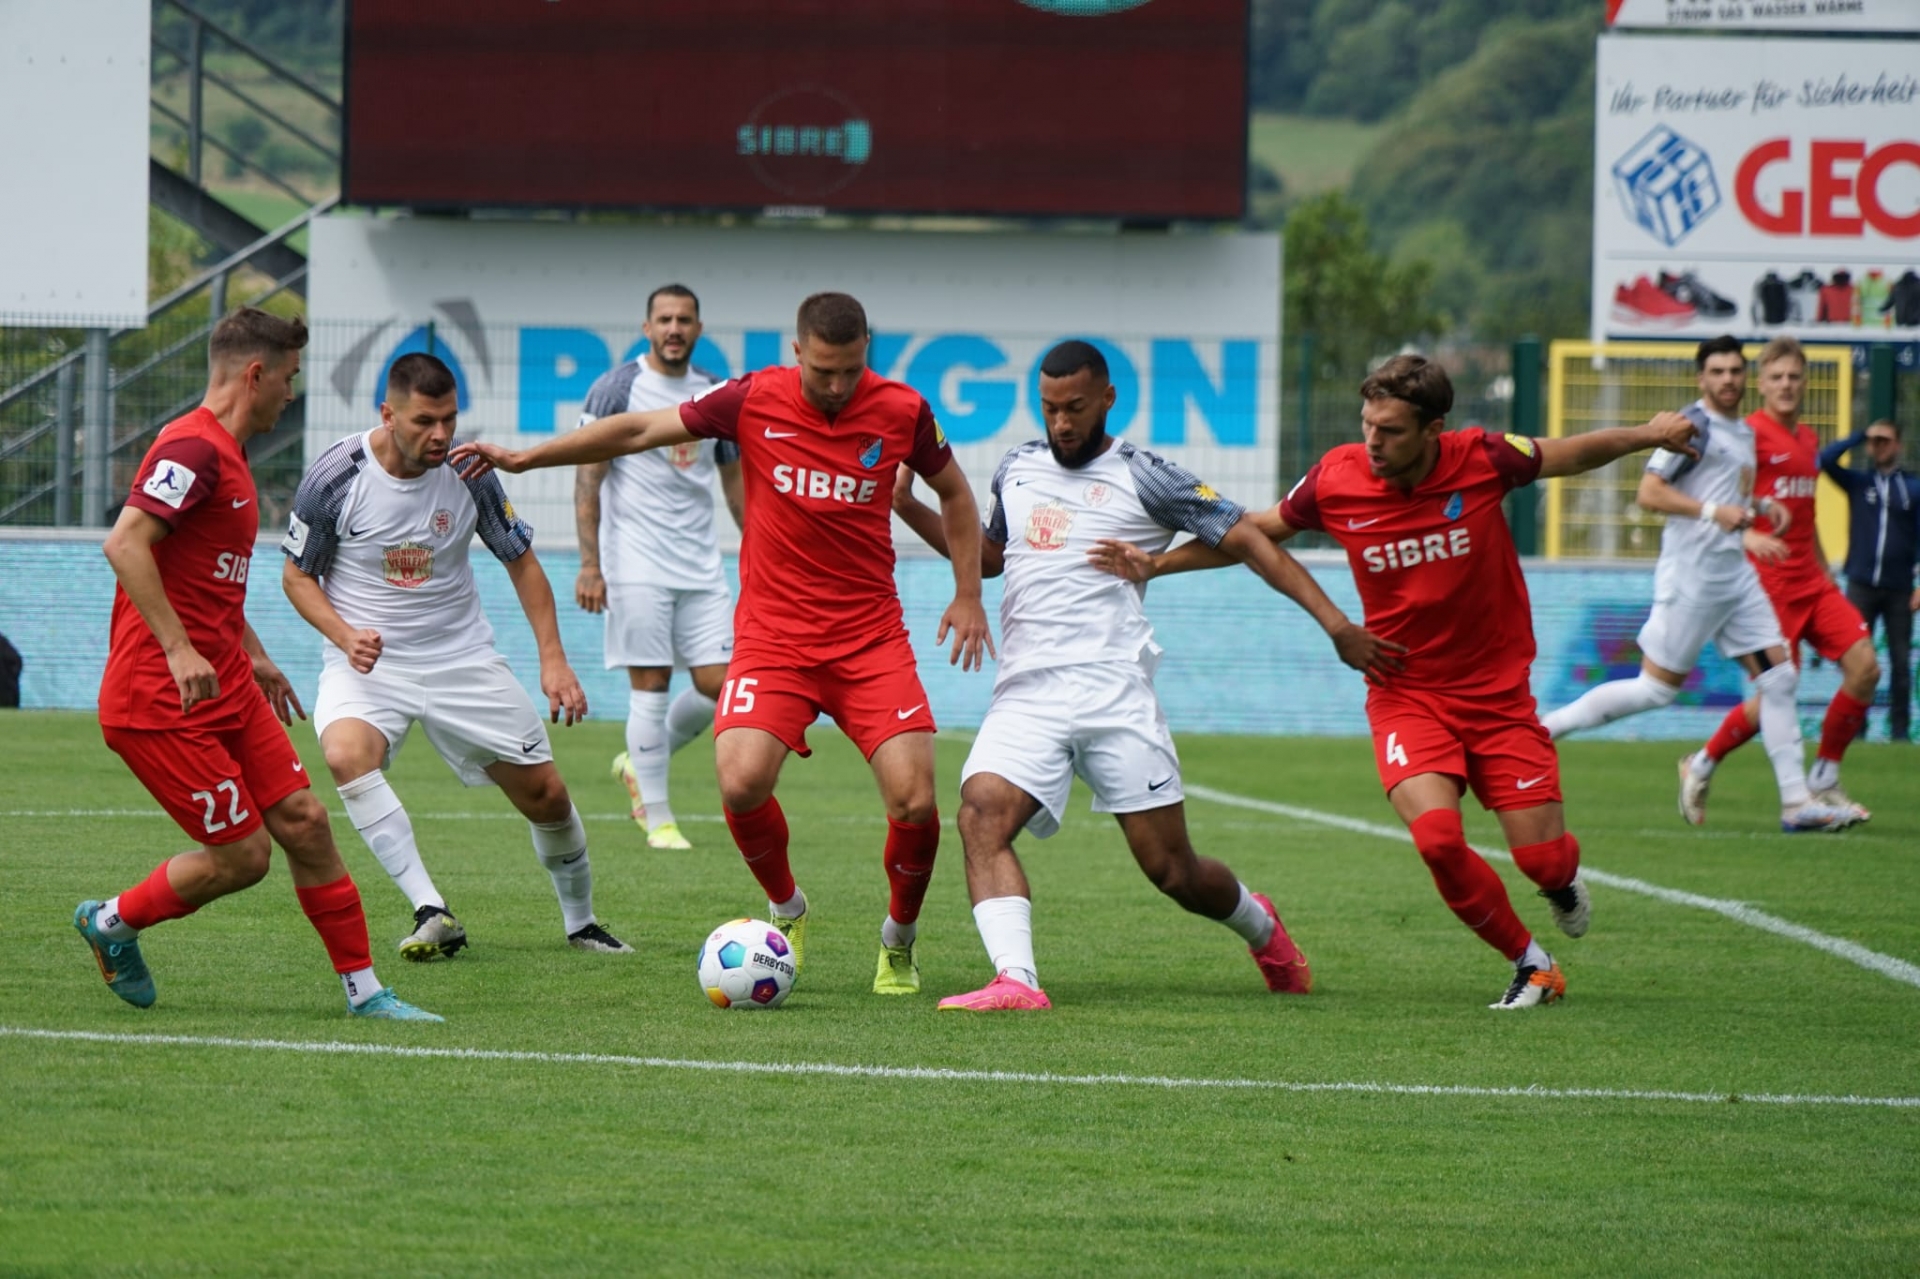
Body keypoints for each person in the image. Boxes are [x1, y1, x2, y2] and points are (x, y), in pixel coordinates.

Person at [1094, 354, 1703, 1010]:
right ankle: (1532, 963)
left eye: (1389, 430)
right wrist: (1157, 565)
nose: (1373, 442)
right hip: (1403, 690)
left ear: (1433, 428)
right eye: (1366, 425)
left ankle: (1559, 882)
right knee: (1439, 839)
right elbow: (1254, 531)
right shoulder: (1338, 477)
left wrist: (1649, 433)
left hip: (1498, 697)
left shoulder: (1485, 459)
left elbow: (1573, 452)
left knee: (1543, 861)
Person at [453, 292, 992, 996]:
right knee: (739, 781)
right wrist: (528, 459)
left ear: (868, 354)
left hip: (870, 639)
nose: (836, 386)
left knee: (916, 802)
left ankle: (898, 940)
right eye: (824, 371)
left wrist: (970, 592)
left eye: (850, 371)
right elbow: (637, 429)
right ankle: (788, 909)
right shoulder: (750, 399)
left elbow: (954, 493)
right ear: (797, 351)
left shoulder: (903, 409)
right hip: (774, 638)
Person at [893, 341, 1401, 1011]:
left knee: (1172, 871)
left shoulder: (1146, 474)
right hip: (1028, 694)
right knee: (981, 814)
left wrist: (1335, 623)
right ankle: (1016, 979)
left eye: (1075, 407)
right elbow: (991, 556)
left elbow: (1247, 537)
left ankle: (1261, 927)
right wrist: (909, 506)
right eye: (1050, 408)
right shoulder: (1016, 466)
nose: (1063, 423)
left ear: (1107, 399)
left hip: (1114, 695)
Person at [74, 307, 439, 1020]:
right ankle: (112, 920)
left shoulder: (230, 456)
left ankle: (366, 993)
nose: (292, 394)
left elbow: (204, 581)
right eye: (290, 378)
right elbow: (125, 544)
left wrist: (260, 658)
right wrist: (179, 649)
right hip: (160, 698)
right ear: (255, 374)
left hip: (229, 683)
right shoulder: (192, 448)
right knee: (245, 858)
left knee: (306, 819)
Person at [281, 352, 630, 962]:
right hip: (369, 665)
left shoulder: (470, 471)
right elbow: (296, 577)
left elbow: (521, 561)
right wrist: (343, 636)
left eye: (448, 419)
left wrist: (553, 660)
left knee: (546, 796)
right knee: (344, 754)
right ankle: (430, 908)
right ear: (387, 414)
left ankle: (582, 924)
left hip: (460, 659)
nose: (440, 434)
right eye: (423, 421)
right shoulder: (336, 475)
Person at [1541, 335, 1855, 834]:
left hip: (1734, 577)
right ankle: (1545, 731)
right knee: (1655, 690)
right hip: (1693, 579)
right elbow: (1650, 492)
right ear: (1701, 378)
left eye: (1735, 370)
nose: (1728, 379)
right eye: (1718, 371)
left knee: (1780, 679)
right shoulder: (1695, 427)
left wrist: (1757, 510)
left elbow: (1726, 497)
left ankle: (1797, 803)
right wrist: (1716, 512)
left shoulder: (1742, 432)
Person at [1678, 338, 1877, 823]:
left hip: (1813, 581)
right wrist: (1746, 540)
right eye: (1777, 377)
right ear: (1761, 384)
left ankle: (1824, 778)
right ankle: (1701, 763)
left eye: (1794, 377)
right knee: (1773, 697)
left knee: (1866, 668)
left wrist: (1825, 564)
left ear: (1804, 382)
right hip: (1768, 589)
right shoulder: (1747, 437)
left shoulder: (1808, 441)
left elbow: (1803, 515)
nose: (1786, 386)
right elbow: (1724, 504)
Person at [574, 285, 745, 850]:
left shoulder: (714, 392)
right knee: (650, 684)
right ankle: (659, 817)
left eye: (685, 319)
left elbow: (733, 480)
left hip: (700, 565)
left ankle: (639, 763)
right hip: (635, 561)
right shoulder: (617, 389)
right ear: (647, 327)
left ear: (699, 328)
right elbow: (588, 476)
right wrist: (591, 565)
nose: (675, 327)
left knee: (722, 684)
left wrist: (758, 554)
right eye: (665, 319)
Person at [1821, 417, 1919, 743]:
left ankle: (1900, 733)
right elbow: (1824, 460)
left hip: (1900, 589)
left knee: (1900, 663)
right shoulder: (1858, 482)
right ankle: (1855, 731)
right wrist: (1860, 435)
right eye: (1875, 441)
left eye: (1885, 440)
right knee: (1857, 663)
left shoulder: (1913, 487)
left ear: (1898, 445)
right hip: (1861, 585)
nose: (1879, 446)